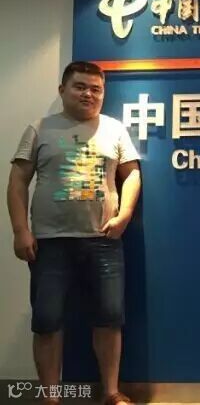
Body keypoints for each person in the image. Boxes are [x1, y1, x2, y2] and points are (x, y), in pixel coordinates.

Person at [7, 61, 141, 405]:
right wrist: (20, 230)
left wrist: (124, 215)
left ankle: (110, 392)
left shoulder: (115, 130)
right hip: (49, 242)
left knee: (109, 318)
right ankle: (50, 397)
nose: (88, 94)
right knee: (47, 320)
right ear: (62, 90)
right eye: (80, 86)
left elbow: (132, 174)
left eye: (96, 89)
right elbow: (18, 180)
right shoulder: (39, 128)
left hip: (104, 240)